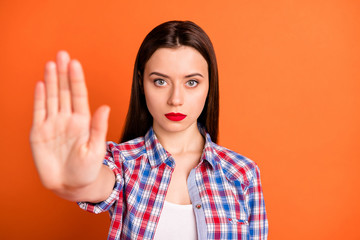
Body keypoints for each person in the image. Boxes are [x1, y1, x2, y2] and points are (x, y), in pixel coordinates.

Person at [30, 21, 268, 240]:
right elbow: (97, 182)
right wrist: (78, 180)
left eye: (192, 82)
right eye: (160, 81)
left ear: (209, 85)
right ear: (141, 83)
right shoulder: (123, 162)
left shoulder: (242, 173)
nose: (176, 99)